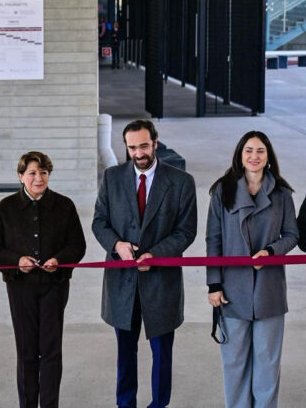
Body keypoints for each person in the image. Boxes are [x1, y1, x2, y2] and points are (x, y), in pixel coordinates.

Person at [92, 120, 197, 408]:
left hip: (161, 282)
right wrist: (117, 246)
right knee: (125, 354)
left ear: (155, 142)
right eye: (132, 148)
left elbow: (186, 231)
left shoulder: (181, 182)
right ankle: (125, 404)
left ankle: (159, 404)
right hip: (122, 282)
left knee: (162, 354)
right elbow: (99, 222)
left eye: (144, 146)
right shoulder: (112, 178)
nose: (138, 153)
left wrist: (156, 255)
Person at [0, 151, 86, 408]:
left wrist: (59, 260)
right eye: (32, 173)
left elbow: (77, 245)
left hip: (55, 286)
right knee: (26, 350)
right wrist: (16, 261)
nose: (38, 178)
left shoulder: (65, 206)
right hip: (20, 288)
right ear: (20, 176)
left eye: (43, 172)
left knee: (51, 350)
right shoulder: (6, 207)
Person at [206, 131, 298, 408]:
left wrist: (271, 251)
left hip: (269, 289)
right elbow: (214, 239)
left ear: (268, 157)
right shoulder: (223, 190)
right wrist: (214, 284)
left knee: (267, 363)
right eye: (249, 150)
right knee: (234, 363)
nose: (254, 156)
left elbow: (292, 235)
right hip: (232, 290)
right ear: (240, 155)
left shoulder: (282, 194)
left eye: (260, 151)